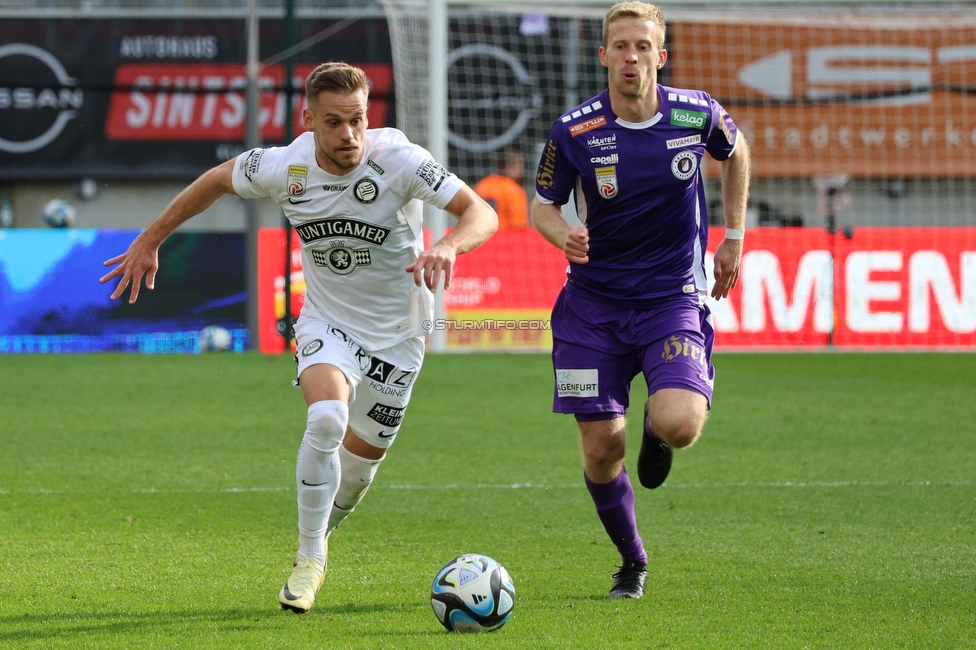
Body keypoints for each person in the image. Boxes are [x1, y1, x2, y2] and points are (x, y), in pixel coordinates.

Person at [100, 62, 497, 614]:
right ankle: (310, 559)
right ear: (308, 120)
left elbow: (482, 212)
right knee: (327, 419)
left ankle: (320, 533)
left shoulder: (401, 160)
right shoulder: (284, 165)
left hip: (401, 334)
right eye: (333, 123)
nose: (349, 135)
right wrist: (150, 238)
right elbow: (216, 179)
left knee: (355, 477)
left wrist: (450, 245)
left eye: (357, 120)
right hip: (327, 323)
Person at [531, 2, 750, 599]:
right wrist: (563, 235)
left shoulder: (695, 112)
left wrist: (734, 237)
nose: (632, 57)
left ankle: (659, 418)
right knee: (602, 448)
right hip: (591, 308)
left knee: (679, 426)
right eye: (620, 46)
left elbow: (737, 152)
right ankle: (632, 560)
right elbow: (541, 206)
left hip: (670, 300)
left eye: (642, 46)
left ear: (661, 54)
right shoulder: (573, 131)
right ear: (603, 56)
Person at [473, 149, 531, 229]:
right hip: (504, 237)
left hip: (480, 235)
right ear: (509, 167)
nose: (522, 171)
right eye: (519, 166)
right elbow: (519, 225)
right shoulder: (514, 190)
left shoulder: (483, 184)